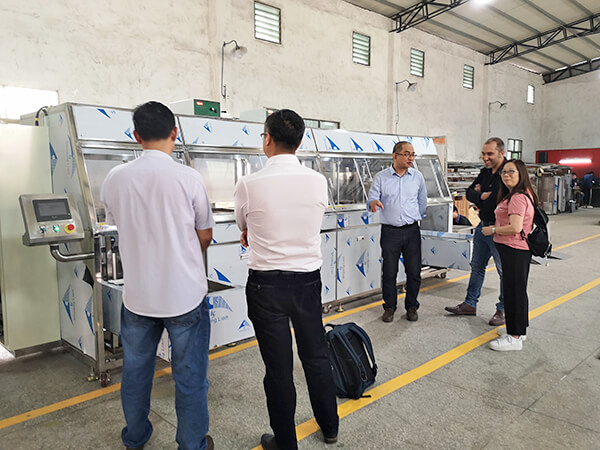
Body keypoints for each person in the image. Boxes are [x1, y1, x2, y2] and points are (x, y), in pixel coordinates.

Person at [101, 101, 215, 450]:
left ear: (136, 136)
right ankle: (191, 444)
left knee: (136, 372)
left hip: (138, 298)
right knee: (190, 376)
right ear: (174, 133)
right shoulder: (188, 177)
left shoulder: (115, 178)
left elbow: (116, 223)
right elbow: (205, 235)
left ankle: (135, 437)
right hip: (185, 296)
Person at [234, 109, 339, 450]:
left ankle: (285, 442)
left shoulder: (249, 184)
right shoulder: (317, 180)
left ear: (267, 138)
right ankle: (330, 426)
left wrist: (254, 231)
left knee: (278, 368)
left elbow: (243, 224)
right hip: (307, 282)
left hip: (266, 286)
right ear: (301, 141)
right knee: (316, 356)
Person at [445, 137, 506, 326]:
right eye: (484, 154)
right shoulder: (485, 172)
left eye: (490, 154)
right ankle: (470, 304)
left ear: (501, 153)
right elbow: (469, 193)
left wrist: (481, 196)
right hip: (482, 225)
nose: (485, 158)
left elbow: (495, 200)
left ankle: (503, 310)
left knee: (504, 271)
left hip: (500, 229)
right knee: (477, 266)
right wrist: (481, 195)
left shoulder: (507, 173)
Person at [367, 141, 427, 323]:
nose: (410, 158)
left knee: (414, 271)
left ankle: (411, 306)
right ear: (395, 156)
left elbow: (422, 201)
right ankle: (389, 307)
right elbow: (372, 198)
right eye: (406, 154)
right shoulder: (381, 177)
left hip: (411, 230)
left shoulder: (417, 177)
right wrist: (373, 203)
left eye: (413, 154)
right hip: (390, 232)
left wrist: (416, 216)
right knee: (389, 272)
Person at [482, 160, 536, 351]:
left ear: (521, 173)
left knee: (514, 292)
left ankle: (514, 337)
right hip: (516, 250)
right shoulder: (521, 193)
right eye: (504, 172)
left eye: (511, 172)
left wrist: (492, 230)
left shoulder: (517, 198)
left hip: (514, 249)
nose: (506, 175)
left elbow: (515, 227)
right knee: (517, 291)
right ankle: (519, 330)